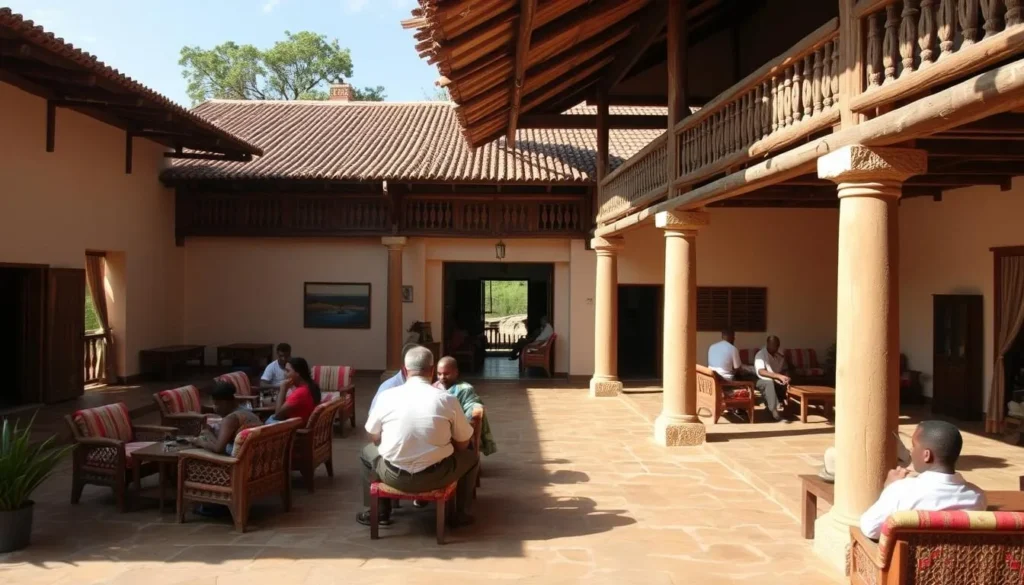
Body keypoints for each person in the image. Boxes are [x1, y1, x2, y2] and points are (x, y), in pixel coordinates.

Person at [356, 347, 478, 527]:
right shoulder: (447, 399)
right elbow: (462, 443)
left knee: (366, 453)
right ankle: (459, 513)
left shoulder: (386, 396)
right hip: (437, 475)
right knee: (471, 457)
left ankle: (380, 512)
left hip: (393, 475)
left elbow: (372, 436)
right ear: (432, 370)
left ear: (405, 370)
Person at [859, 420, 986, 539]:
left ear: (927, 455)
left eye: (913, 446)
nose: (910, 451)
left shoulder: (901, 490)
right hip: (956, 561)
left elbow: (870, 529)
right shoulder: (977, 496)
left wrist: (887, 489)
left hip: (907, 562)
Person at [435, 356, 497, 456]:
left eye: (446, 374)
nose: (442, 377)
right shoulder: (433, 388)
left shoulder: (465, 389)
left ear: (456, 373)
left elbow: (472, 407)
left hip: (456, 428)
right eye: (439, 374)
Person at [190, 380, 263, 456]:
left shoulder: (230, 419)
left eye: (216, 404)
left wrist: (200, 442)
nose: (214, 408)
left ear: (225, 403)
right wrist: (209, 432)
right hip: (255, 453)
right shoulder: (246, 411)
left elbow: (218, 449)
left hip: (240, 458)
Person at [265, 357, 321, 426]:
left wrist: (283, 389)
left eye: (288, 371)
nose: (284, 374)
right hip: (301, 423)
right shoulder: (310, 386)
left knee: (270, 420)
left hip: (295, 429)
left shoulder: (300, 392)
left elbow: (278, 415)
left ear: (297, 373)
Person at [370, 343, 421, 412]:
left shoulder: (427, 388)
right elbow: (373, 416)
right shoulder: (387, 389)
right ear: (404, 368)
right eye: (416, 368)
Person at [754, 335, 791, 423]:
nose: (776, 347)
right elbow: (761, 372)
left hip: (776, 379)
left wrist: (786, 377)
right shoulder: (761, 354)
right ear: (768, 344)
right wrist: (778, 376)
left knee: (789, 380)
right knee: (769, 382)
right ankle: (775, 413)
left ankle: (789, 407)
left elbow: (785, 368)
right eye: (774, 345)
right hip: (760, 380)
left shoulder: (780, 355)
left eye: (777, 345)